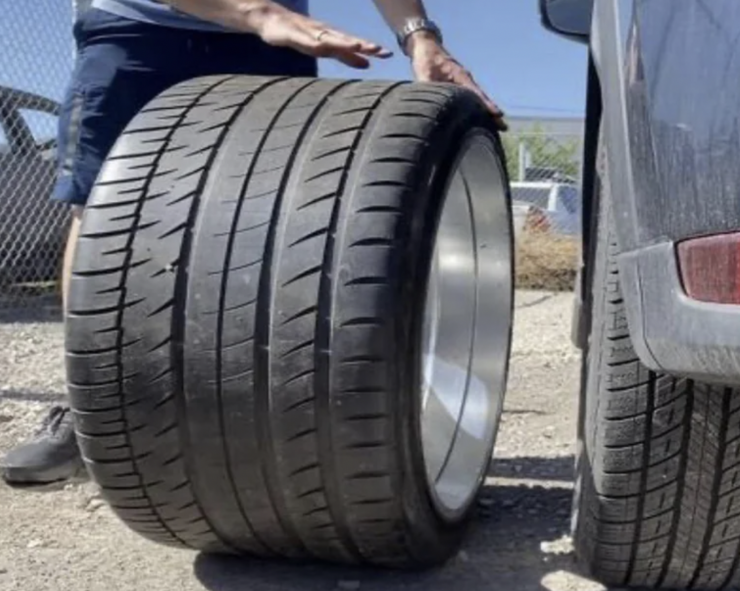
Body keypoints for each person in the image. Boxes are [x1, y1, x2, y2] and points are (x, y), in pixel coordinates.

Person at [0, 0, 503, 485]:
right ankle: (88, 410)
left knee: (266, 218)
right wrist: (255, 12)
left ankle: (253, 407)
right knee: (100, 210)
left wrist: (421, 38)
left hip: (268, 41)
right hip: (141, 32)